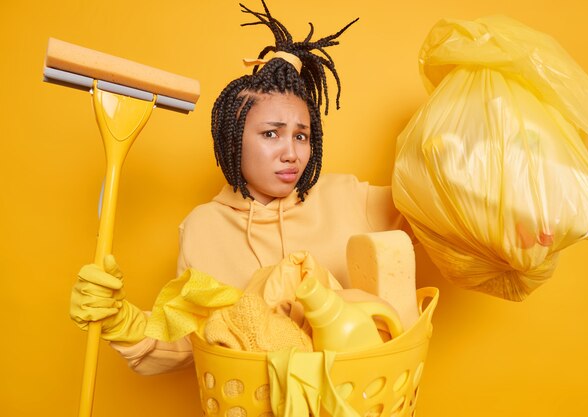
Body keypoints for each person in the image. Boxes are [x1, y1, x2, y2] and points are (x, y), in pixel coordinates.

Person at [70, 0, 411, 375]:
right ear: (234, 139)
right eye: (271, 134)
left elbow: (436, 202)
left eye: (302, 135)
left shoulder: (348, 196)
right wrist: (124, 323)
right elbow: (191, 339)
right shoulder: (204, 228)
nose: (291, 153)